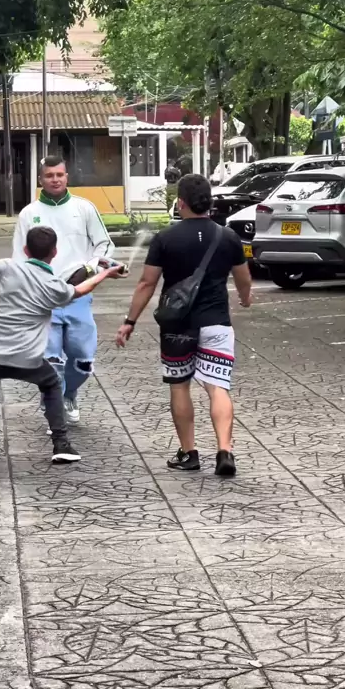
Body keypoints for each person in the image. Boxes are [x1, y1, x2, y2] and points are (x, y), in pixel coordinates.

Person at [0, 226, 122, 464]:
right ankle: (61, 444)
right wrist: (104, 274)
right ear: (54, 252)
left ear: (26, 250)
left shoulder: (4, 267)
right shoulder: (53, 285)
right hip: (28, 359)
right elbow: (80, 290)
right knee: (51, 384)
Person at [116, 173, 252, 477]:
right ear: (209, 202)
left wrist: (130, 321)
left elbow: (146, 283)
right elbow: (243, 278)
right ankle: (225, 451)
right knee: (218, 387)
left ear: (180, 203)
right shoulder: (228, 237)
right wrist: (245, 299)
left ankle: (189, 453)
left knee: (180, 386)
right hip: (216, 322)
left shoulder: (165, 238)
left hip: (176, 325)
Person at [12, 156, 123, 426]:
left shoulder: (84, 208)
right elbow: (19, 258)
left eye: (59, 174)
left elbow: (105, 245)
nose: (55, 179)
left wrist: (91, 267)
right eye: (49, 175)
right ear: (41, 179)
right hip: (44, 299)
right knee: (51, 360)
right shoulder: (29, 213)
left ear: (67, 176)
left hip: (78, 295)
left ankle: (69, 393)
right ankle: (54, 405)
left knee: (83, 360)